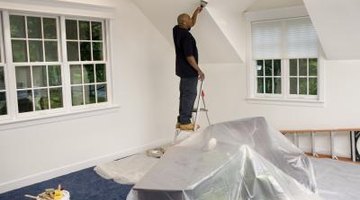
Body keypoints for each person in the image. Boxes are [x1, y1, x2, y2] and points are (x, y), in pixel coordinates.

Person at [173, 7, 205, 130]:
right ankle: (185, 121)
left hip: (182, 71)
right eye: (189, 20)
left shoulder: (176, 30)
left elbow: (192, 22)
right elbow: (189, 56)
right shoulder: (186, 37)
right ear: (185, 23)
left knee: (184, 95)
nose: (192, 21)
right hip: (189, 72)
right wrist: (199, 70)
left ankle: (181, 120)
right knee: (189, 95)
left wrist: (196, 12)